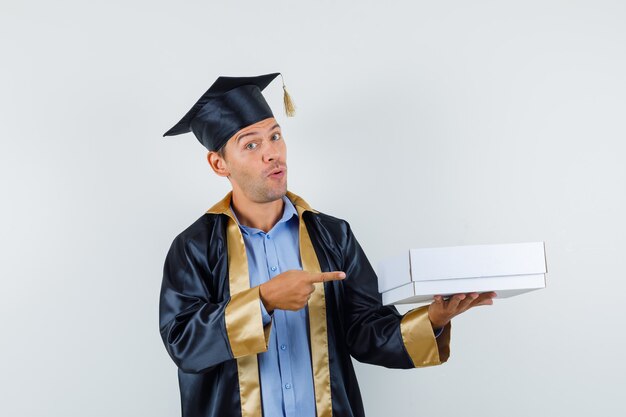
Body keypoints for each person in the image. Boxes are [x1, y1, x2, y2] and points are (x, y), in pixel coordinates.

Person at [159, 72, 495, 417]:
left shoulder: (333, 236)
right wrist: (263, 301)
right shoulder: (194, 248)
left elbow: (365, 330)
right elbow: (184, 344)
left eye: (275, 136)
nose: (272, 153)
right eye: (251, 144)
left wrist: (433, 319)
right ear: (219, 164)